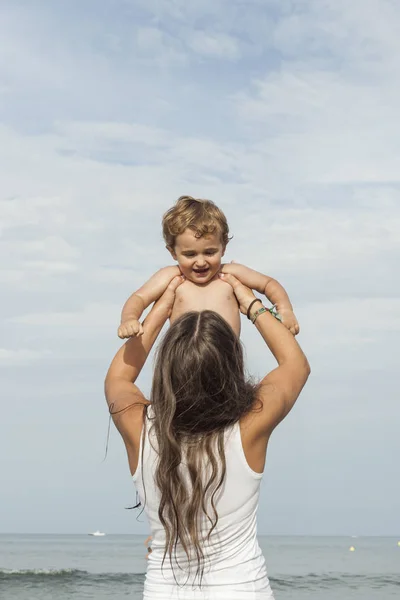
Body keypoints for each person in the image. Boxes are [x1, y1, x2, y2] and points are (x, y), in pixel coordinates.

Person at [105, 272, 310, 599]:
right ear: (231, 366)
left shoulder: (138, 426)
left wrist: (160, 308)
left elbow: (119, 376)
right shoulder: (249, 426)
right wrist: (250, 303)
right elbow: (295, 364)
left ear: (166, 367)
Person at [117, 196, 300, 340]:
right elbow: (139, 297)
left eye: (210, 252)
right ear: (173, 252)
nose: (201, 262)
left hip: (226, 363)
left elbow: (268, 284)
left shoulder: (229, 274)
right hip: (183, 362)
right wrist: (129, 319)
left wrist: (285, 310)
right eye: (190, 255)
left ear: (224, 248)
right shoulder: (171, 276)